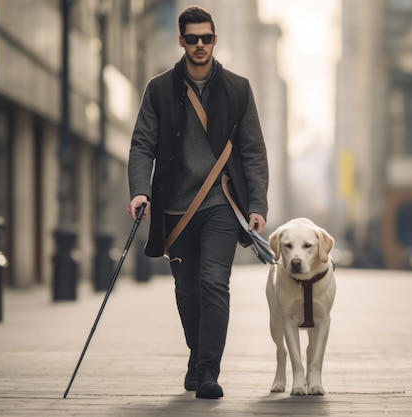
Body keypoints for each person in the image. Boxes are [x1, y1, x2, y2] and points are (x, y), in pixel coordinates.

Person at [127, 5, 269, 399]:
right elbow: (142, 144)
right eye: (193, 39)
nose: (201, 45)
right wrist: (140, 189)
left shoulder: (238, 89)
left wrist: (256, 205)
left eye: (207, 38)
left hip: (221, 203)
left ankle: (207, 370)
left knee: (213, 282)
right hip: (176, 209)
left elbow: (254, 151)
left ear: (215, 40)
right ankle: (198, 355)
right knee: (188, 292)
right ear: (182, 42)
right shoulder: (159, 89)